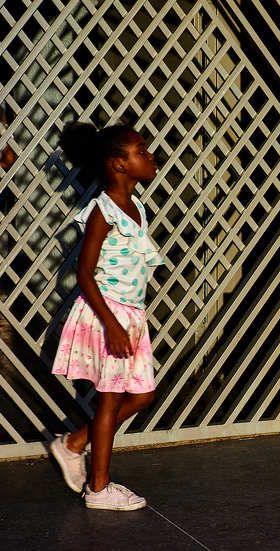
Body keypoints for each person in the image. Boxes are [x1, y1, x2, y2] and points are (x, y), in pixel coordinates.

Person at [49, 121, 164, 511]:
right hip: (108, 314)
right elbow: (85, 273)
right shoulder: (103, 210)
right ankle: (98, 489)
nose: (150, 156)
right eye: (141, 151)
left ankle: (74, 443)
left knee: (143, 394)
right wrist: (112, 325)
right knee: (110, 400)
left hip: (130, 315)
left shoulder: (137, 207)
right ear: (118, 164)